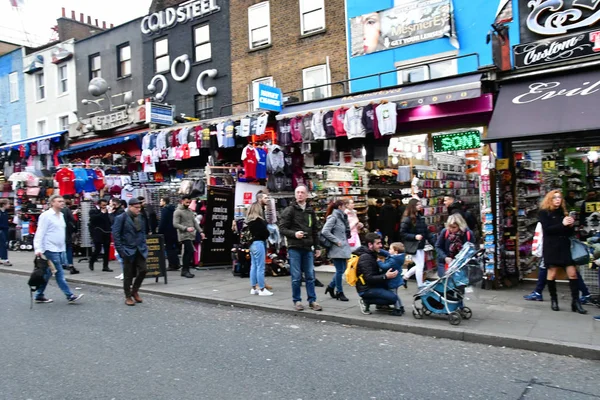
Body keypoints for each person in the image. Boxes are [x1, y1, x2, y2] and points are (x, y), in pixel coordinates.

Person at [538, 190, 587, 314]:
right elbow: (548, 230)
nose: (558, 200)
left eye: (559, 197)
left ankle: (575, 302)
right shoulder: (544, 213)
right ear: (550, 199)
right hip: (552, 247)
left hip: (565, 247)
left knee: (573, 274)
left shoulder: (564, 212)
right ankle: (554, 300)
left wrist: (570, 226)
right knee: (552, 274)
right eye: (554, 198)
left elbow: (569, 233)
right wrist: (562, 224)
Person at [33, 194, 84, 304]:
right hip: (49, 248)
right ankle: (69, 295)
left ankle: (39, 295)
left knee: (48, 273)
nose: (62, 203)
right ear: (52, 203)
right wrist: (38, 248)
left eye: (62, 201)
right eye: (59, 201)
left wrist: (63, 249)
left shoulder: (61, 215)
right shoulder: (46, 215)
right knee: (59, 272)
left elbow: (60, 233)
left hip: (60, 248)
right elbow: (40, 232)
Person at [279, 184, 323, 311]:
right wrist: (294, 234)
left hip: (308, 247)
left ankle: (312, 301)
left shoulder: (310, 211)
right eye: (297, 192)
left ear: (307, 195)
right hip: (295, 247)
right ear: (295, 194)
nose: (299, 194)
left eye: (302, 192)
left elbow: (315, 230)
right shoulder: (290, 210)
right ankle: (297, 300)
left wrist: (317, 246)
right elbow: (282, 228)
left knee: (310, 275)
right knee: (296, 276)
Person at [355, 233, 404, 316]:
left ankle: (380, 304)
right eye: (378, 243)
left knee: (391, 288)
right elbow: (369, 278)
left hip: (374, 284)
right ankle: (365, 301)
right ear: (370, 245)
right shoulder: (365, 258)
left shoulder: (373, 253)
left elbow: (387, 255)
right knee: (393, 298)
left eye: (380, 243)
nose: (381, 245)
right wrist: (385, 276)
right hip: (366, 289)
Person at [112, 198, 148, 306]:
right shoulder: (121, 218)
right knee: (128, 274)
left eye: (139, 208)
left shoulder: (140, 217)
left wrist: (144, 244)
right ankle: (128, 296)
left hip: (140, 249)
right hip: (127, 249)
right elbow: (116, 235)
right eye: (136, 208)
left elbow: (142, 232)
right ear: (130, 207)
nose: (138, 210)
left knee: (143, 270)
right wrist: (121, 251)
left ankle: (135, 290)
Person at [401, 198, 435, 288]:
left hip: (420, 245)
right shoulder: (407, 219)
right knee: (420, 266)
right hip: (413, 245)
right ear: (413, 206)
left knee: (420, 265)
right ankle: (421, 286)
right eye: (417, 204)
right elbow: (402, 233)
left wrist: (434, 243)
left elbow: (426, 232)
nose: (420, 206)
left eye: (420, 204)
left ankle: (405, 277)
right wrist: (414, 237)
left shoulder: (420, 218)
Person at [322, 200, 352, 302]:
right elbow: (325, 231)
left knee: (342, 270)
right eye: (345, 205)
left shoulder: (342, 217)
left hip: (342, 247)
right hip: (336, 248)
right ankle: (340, 292)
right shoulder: (333, 217)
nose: (346, 207)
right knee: (340, 271)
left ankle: (331, 286)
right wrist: (336, 241)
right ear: (339, 207)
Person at [247, 194, 273, 296]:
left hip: (251, 244)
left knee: (253, 266)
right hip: (259, 243)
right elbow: (265, 233)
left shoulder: (249, 220)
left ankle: (254, 288)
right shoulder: (259, 221)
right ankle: (262, 289)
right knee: (260, 267)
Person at [173, 195, 204, 278]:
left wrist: (201, 232)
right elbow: (175, 224)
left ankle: (185, 270)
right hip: (183, 235)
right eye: (186, 202)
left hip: (191, 235)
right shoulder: (177, 211)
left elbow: (195, 222)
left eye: (189, 203)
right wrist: (186, 228)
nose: (188, 204)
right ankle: (185, 270)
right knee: (190, 251)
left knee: (188, 252)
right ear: (182, 201)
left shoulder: (190, 211)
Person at [88, 199, 113, 272]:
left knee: (107, 250)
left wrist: (110, 213)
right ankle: (92, 261)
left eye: (105, 205)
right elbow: (93, 219)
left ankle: (105, 266)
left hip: (107, 231)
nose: (104, 207)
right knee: (97, 249)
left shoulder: (108, 211)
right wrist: (101, 213)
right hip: (97, 232)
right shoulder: (93, 211)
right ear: (99, 205)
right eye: (103, 205)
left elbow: (110, 220)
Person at [158, 197, 180, 272]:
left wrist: (159, 231)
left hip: (167, 232)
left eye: (161, 201)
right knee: (173, 248)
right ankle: (176, 263)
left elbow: (163, 222)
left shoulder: (165, 210)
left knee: (169, 248)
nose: (160, 202)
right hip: (173, 231)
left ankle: (172, 265)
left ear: (164, 202)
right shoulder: (172, 209)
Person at [109, 198, 126, 280]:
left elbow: (113, 221)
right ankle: (123, 272)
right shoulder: (117, 211)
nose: (109, 205)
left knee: (119, 255)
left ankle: (125, 272)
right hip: (116, 235)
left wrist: (110, 213)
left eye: (111, 203)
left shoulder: (119, 212)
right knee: (118, 255)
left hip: (119, 236)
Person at [61, 199, 79, 274]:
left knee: (59, 250)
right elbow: (73, 220)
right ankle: (70, 265)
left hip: (57, 234)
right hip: (66, 232)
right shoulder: (66, 210)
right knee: (68, 248)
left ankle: (61, 264)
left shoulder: (50, 211)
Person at [0, 199, 12, 266]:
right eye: (8, 204)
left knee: (2, 245)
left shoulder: (5, 212)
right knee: (4, 245)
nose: (9, 205)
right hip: (1, 230)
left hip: (5, 230)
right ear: (4, 205)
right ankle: (5, 260)